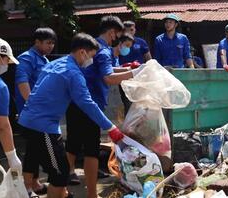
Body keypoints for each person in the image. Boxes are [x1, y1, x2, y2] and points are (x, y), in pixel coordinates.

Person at [18, 33, 125, 198]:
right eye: (91, 56)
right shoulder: (73, 73)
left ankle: (62, 194)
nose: (91, 61)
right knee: (60, 175)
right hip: (41, 126)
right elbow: (87, 103)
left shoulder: (55, 64)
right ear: (82, 52)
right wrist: (110, 127)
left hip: (34, 121)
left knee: (56, 167)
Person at [65, 16, 143, 198]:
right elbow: (108, 77)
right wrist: (133, 73)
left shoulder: (96, 48)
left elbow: (107, 71)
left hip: (76, 103)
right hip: (90, 105)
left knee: (73, 145)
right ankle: (92, 194)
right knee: (91, 150)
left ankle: (63, 186)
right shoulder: (103, 50)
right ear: (112, 32)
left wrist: (130, 69)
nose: (117, 38)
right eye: (117, 34)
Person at [14, 28, 56, 195]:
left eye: (52, 43)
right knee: (35, 149)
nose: (51, 46)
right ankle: (28, 186)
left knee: (34, 149)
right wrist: (35, 106)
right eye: (47, 43)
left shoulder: (44, 60)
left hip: (42, 113)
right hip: (32, 114)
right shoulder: (26, 58)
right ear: (37, 42)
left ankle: (34, 183)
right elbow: (22, 82)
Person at [0, 38, 23, 186]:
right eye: (7, 60)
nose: (7, 64)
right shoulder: (0, 88)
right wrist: (12, 157)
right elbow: (2, 126)